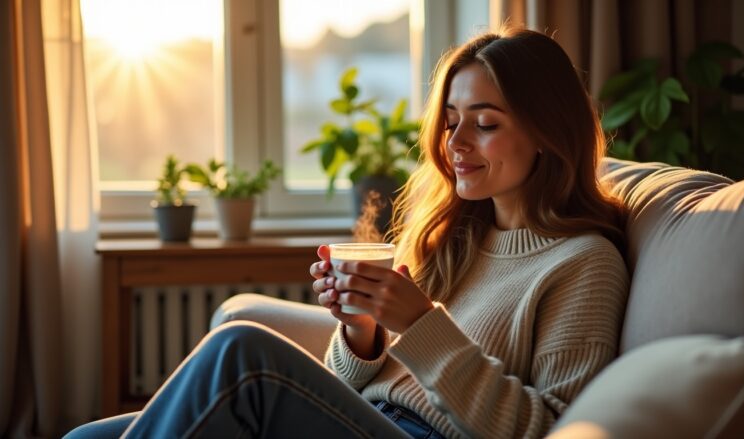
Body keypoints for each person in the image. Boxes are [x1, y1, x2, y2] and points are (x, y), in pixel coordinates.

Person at [65, 28, 629, 439]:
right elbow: (354, 386)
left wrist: (420, 325)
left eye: (484, 124)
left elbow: (551, 429)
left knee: (243, 352)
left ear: (547, 132)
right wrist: (362, 333)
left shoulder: (584, 263)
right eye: (451, 121)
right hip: (369, 421)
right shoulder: (455, 240)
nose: (455, 144)